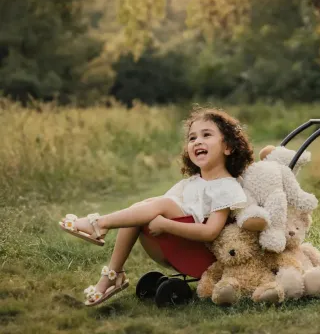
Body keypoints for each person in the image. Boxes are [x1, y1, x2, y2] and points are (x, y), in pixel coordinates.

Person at [59, 107, 254, 306]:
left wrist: (167, 225)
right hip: (181, 243)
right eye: (192, 138)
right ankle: (113, 274)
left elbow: (211, 232)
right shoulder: (193, 182)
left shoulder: (227, 186)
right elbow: (155, 208)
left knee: (158, 204)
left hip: (200, 251)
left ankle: (99, 223)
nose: (198, 141)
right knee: (140, 208)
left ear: (228, 147)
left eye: (207, 135)